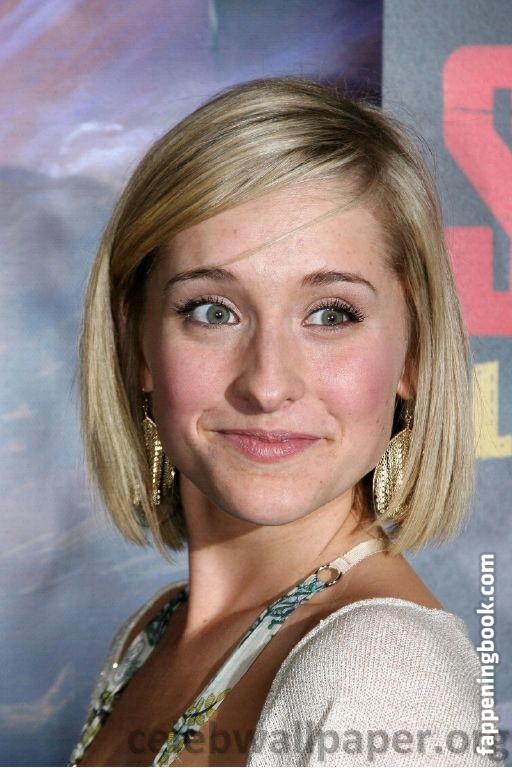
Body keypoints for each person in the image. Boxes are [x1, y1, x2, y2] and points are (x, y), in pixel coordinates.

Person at [67, 76, 504, 767]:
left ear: (413, 355)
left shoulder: (383, 671)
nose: (268, 385)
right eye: (213, 311)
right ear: (137, 343)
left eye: (331, 314)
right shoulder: (152, 634)